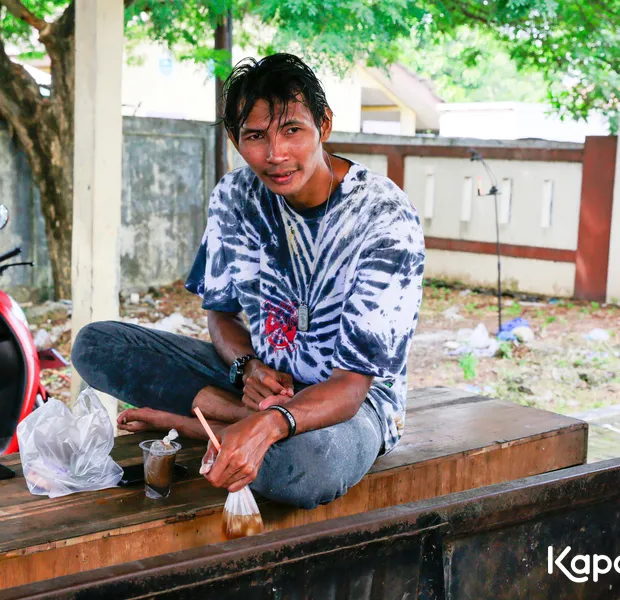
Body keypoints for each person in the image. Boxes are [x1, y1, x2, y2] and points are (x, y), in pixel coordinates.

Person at [72, 53, 425, 509]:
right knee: (96, 345)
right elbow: (220, 315)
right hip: (258, 383)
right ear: (236, 140)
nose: (275, 154)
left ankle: (201, 424)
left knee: (306, 468)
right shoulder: (234, 196)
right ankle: (235, 418)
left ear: (324, 125)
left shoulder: (383, 217)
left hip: (352, 405)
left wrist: (274, 422)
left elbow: (353, 384)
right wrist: (249, 368)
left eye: (292, 130)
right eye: (256, 136)